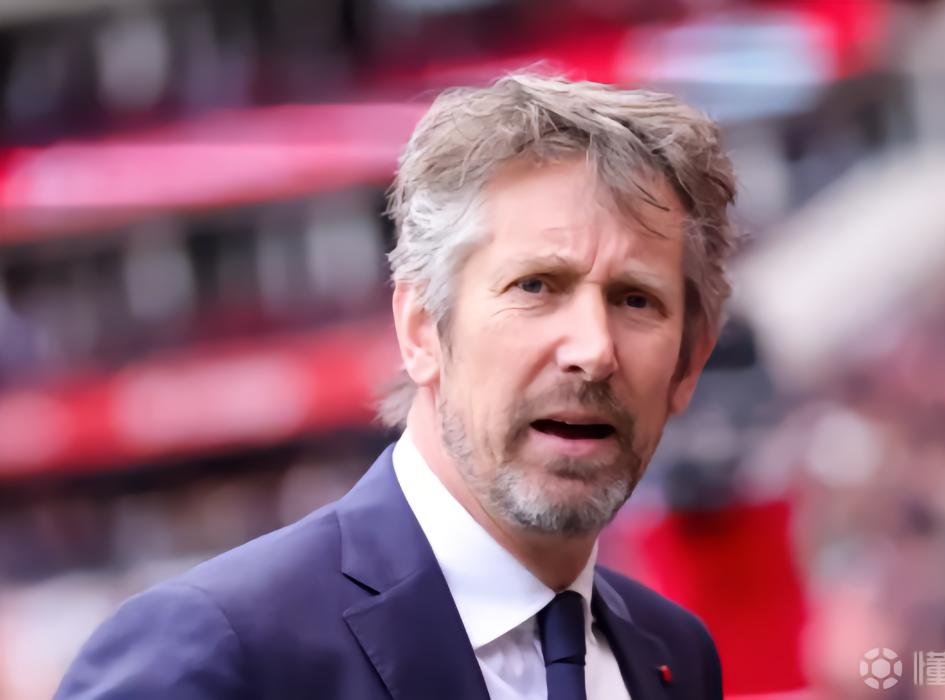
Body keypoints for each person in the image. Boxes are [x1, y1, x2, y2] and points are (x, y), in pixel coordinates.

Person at [55, 72, 737, 700]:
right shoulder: (215, 652)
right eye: (535, 286)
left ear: (688, 365)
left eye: (637, 300)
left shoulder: (675, 657)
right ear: (420, 330)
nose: (593, 350)